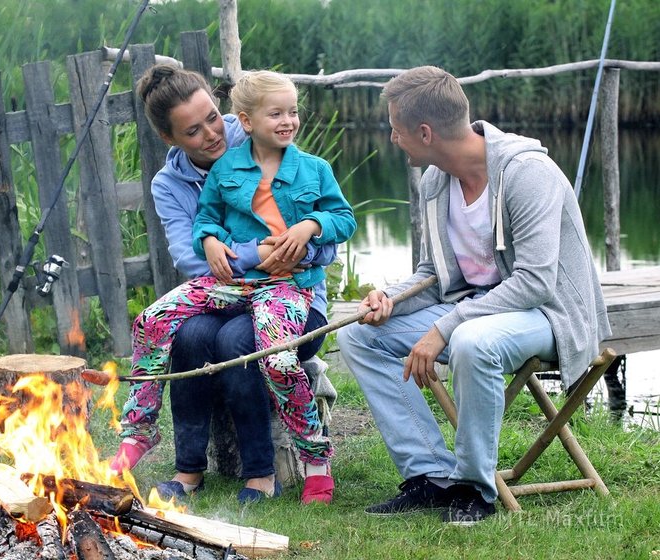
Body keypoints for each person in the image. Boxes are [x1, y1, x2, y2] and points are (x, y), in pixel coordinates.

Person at [336, 66, 611, 524]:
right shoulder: (435, 181)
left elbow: (535, 283)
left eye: (396, 129)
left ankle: (473, 488)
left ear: (425, 132)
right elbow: (433, 273)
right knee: (360, 337)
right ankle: (430, 476)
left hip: (550, 313)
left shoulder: (528, 174)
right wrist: (390, 298)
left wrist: (445, 327)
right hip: (478, 310)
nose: (392, 138)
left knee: (471, 340)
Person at [111, 64, 352, 505]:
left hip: (289, 288)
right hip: (228, 292)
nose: (210, 133)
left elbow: (335, 224)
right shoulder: (182, 181)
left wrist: (304, 236)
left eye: (212, 118)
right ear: (170, 138)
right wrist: (220, 242)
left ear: (231, 113)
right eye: (192, 131)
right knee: (167, 325)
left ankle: (280, 468)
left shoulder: (267, 138)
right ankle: (167, 454)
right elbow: (193, 249)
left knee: (245, 345)